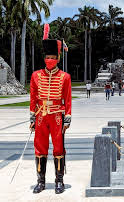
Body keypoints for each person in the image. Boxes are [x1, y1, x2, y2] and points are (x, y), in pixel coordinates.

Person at [29, 28, 71, 194]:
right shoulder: (35, 76)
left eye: (53, 58)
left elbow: (67, 100)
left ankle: (59, 181)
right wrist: (32, 118)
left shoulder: (65, 77)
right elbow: (33, 98)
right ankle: (41, 181)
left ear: (58, 58)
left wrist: (67, 119)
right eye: (48, 58)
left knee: (59, 148)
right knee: (40, 148)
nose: (50, 60)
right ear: (44, 58)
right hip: (40, 116)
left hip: (57, 117)